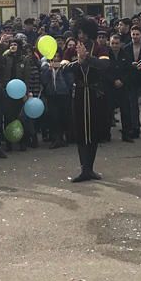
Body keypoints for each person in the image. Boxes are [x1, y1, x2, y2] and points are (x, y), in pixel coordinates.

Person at [60, 20, 113, 182]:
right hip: (79, 93)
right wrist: (79, 62)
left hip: (95, 94)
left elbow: (105, 64)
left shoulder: (98, 47)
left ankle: (90, 168)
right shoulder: (70, 50)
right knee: (81, 132)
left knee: (94, 132)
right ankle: (84, 169)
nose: (81, 36)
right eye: (79, 33)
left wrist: (87, 58)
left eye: (84, 32)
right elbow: (63, 68)